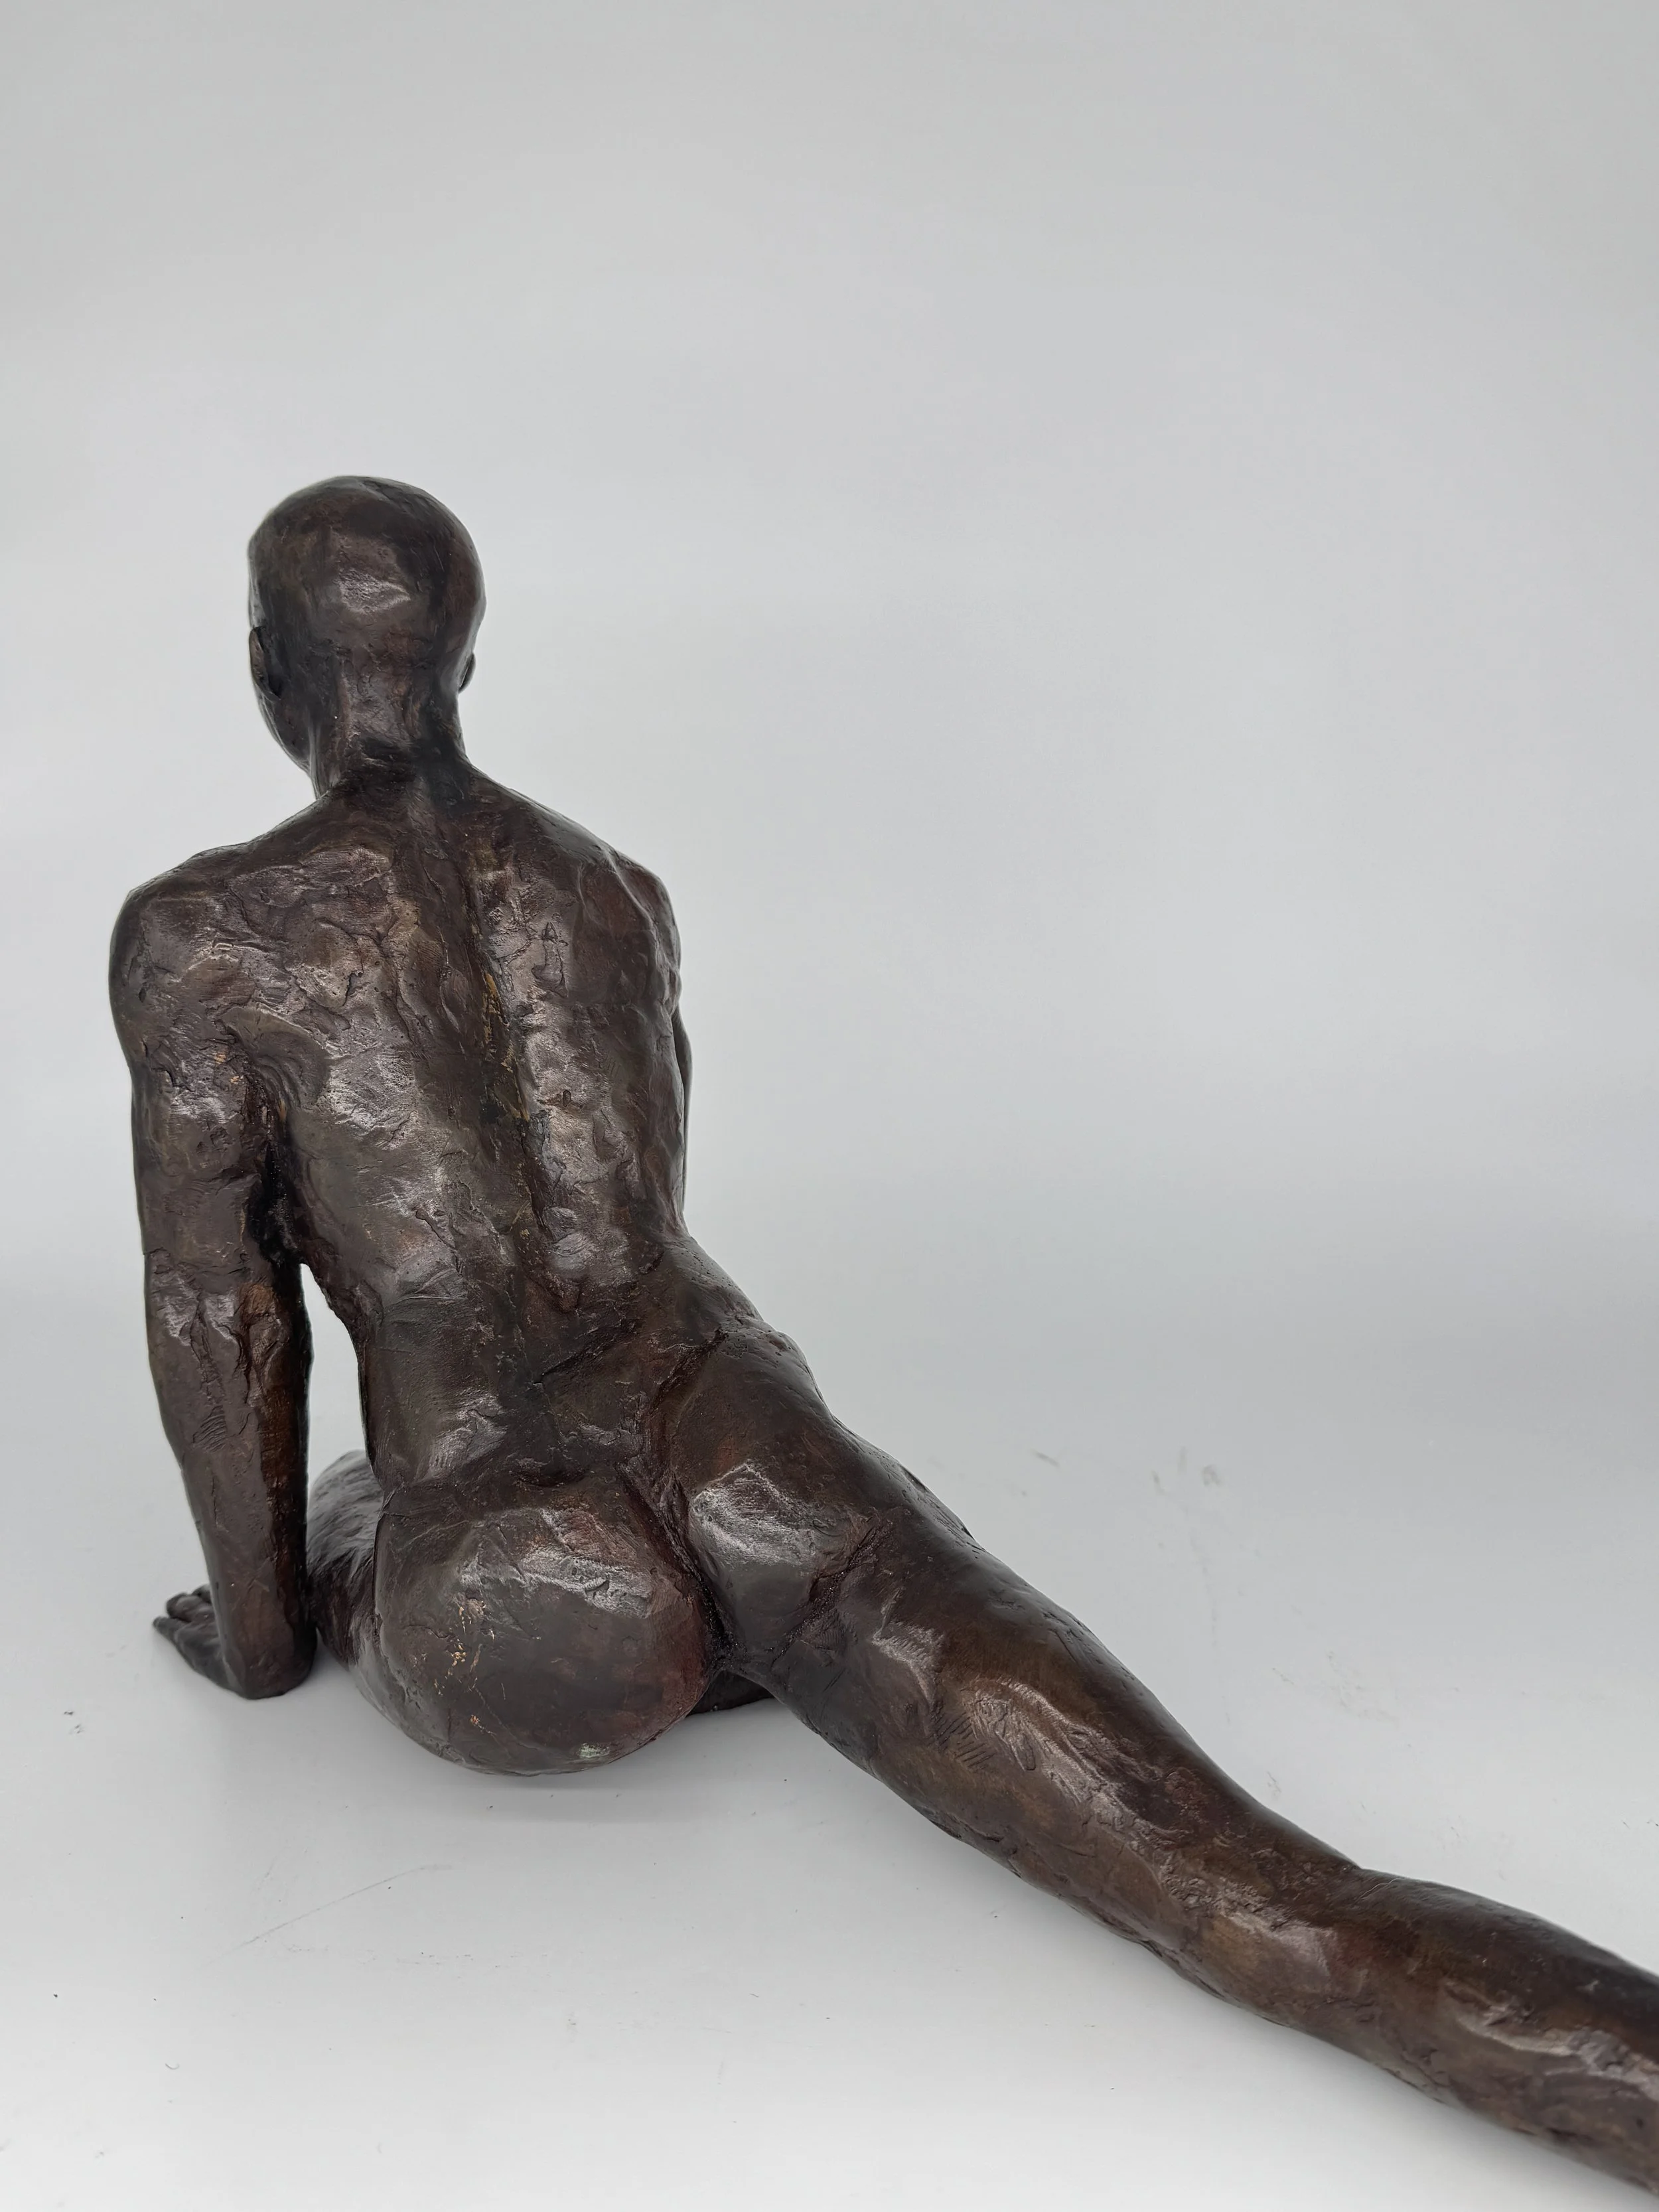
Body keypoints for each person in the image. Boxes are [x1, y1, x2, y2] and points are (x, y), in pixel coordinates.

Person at [111, 476, 1659, 2190]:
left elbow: (217, 1310)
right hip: (749, 1450)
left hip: (525, 1573)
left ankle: (584, 1608)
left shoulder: (203, 935)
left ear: (267, 666)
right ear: (467, 663)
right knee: (1274, 1895)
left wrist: (262, 1639)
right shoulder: (613, 892)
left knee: (399, 1517)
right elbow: (623, 1227)